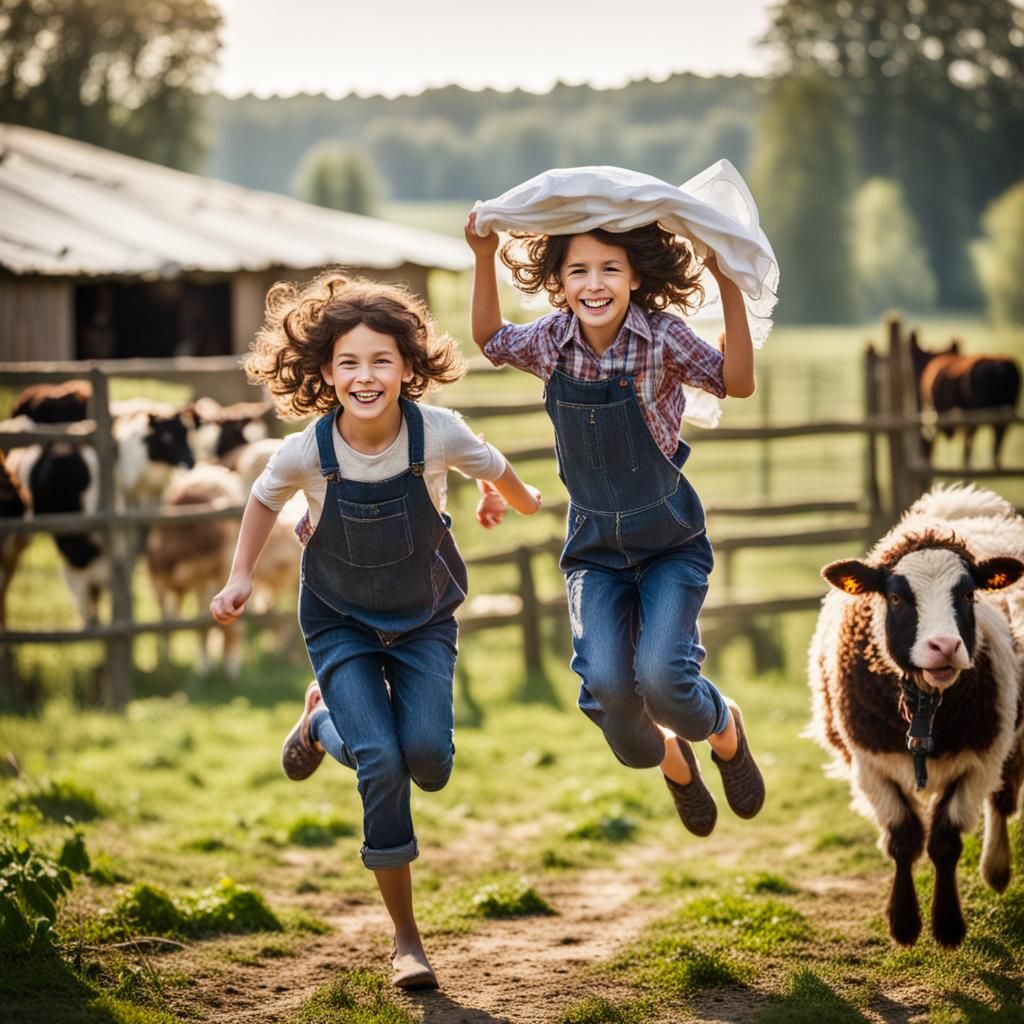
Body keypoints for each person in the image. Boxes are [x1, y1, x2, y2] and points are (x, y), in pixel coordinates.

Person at [210, 272, 541, 990]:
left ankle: (321, 722)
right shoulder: (308, 451)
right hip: (341, 624)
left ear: (407, 368)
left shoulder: (437, 433)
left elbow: (498, 463)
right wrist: (239, 578)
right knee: (382, 766)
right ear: (326, 372)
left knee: (428, 760)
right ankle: (406, 940)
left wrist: (515, 498)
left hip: (423, 621)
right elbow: (262, 502)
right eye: (350, 363)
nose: (366, 376)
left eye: (381, 360)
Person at [463, 209, 764, 839]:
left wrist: (728, 285)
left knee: (664, 682)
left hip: (669, 547)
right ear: (559, 280)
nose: (593, 283)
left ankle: (724, 728)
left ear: (633, 277)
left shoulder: (663, 338)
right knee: (612, 700)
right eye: (578, 270)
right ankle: (676, 763)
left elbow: (735, 382)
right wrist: (482, 253)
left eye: (609, 268)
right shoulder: (551, 341)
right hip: (596, 551)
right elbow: (490, 337)